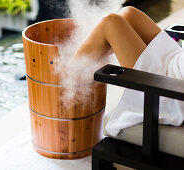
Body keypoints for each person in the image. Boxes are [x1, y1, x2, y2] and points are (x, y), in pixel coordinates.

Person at [72, 6, 184, 137]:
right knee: (128, 13)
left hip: (171, 86)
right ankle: (75, 72)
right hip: (176, 60)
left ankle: (62, 83)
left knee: (110, 23)